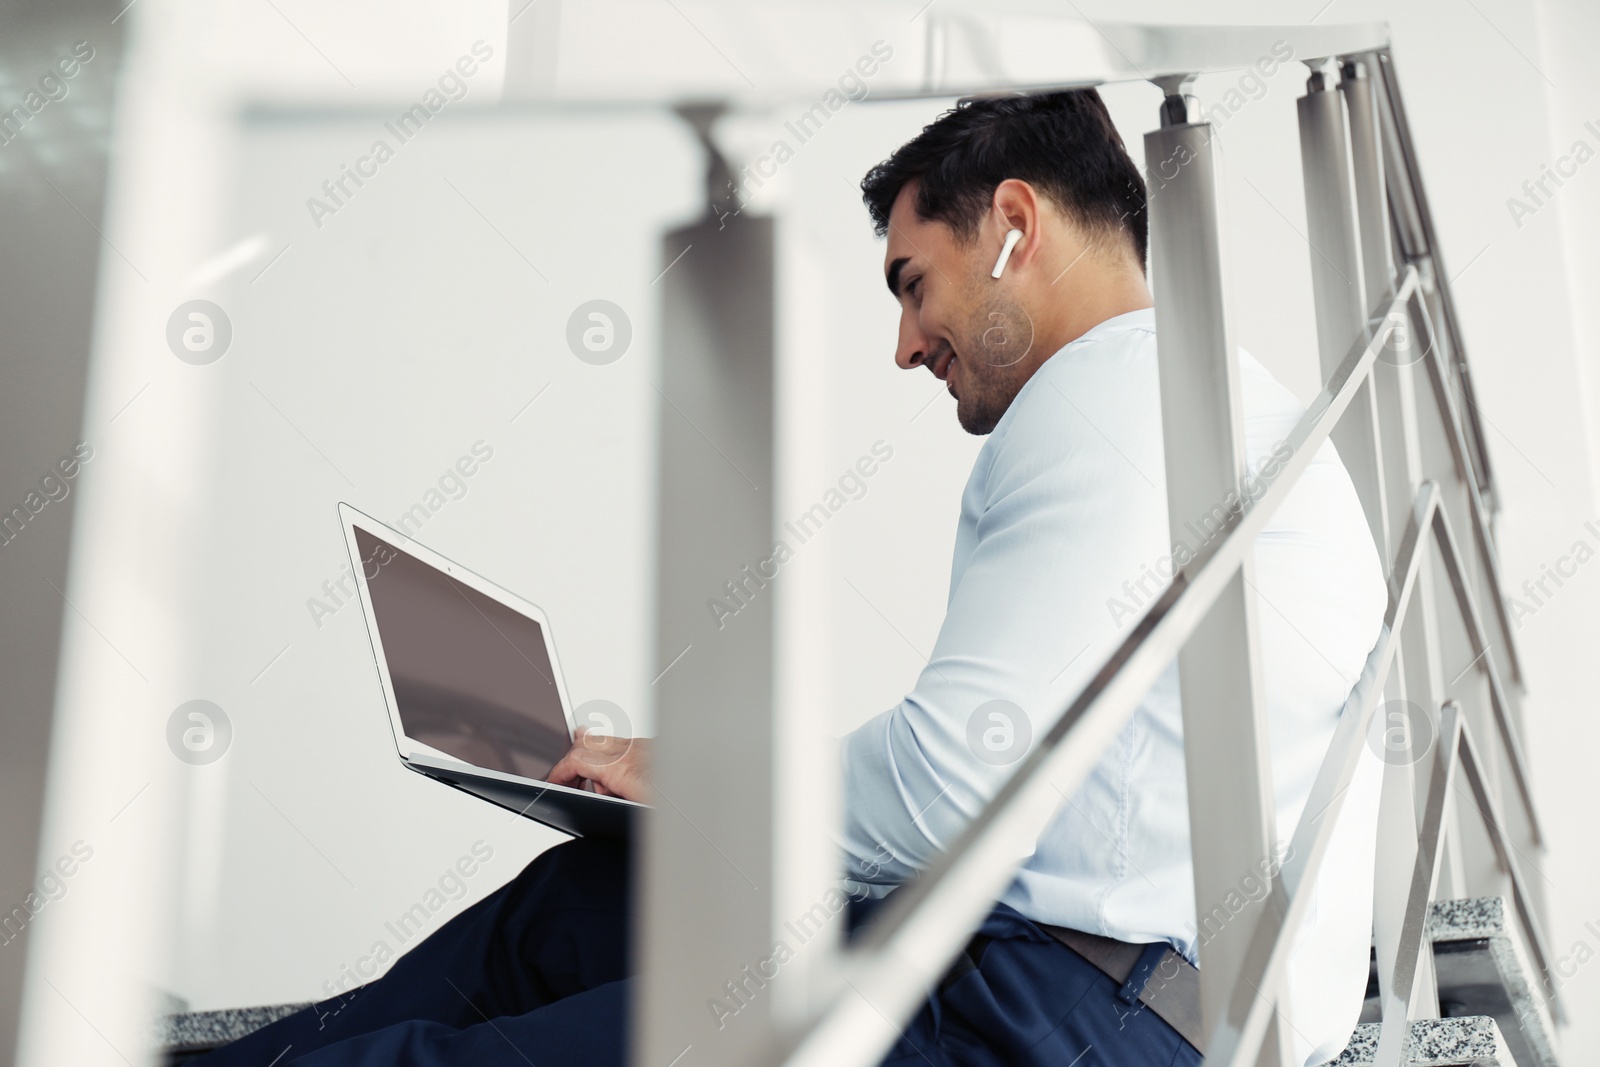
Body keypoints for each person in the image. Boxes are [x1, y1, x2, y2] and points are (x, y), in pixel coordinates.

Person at [196, 88, 1386, 1067]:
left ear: (1015, 226)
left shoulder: (1103, 405)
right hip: (1068, 968)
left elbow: (940, 785)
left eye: (914, 282)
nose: (907, 342)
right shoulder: (1191, 393)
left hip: (1069, 1018)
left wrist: (707, 790)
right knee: (568, 905)